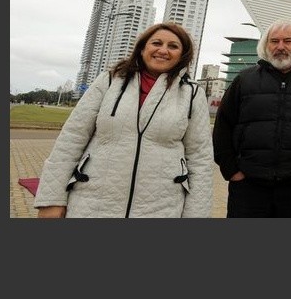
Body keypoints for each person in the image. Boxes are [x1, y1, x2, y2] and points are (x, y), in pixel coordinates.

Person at [34, 22, 214, 218]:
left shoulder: (192, 94)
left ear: (183, 54)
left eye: (173, 46)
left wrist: (196, 215)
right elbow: (71, 139)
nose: (163, 50)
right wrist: (51, 199)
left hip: (161, 208)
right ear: (143, 48)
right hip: (93, 203)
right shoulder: (110, 81)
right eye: (156, 43)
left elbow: (200, 159)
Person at [213, 19, 291, 217]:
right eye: (274, 41)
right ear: (266, 46)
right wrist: (231, 171)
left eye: (288, 41)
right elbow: (223, 126)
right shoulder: (244, 80)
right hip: (247, 185)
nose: (280, 47)